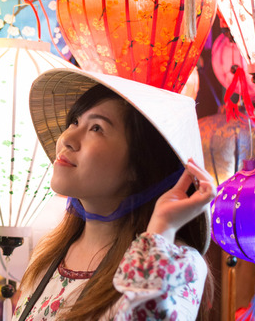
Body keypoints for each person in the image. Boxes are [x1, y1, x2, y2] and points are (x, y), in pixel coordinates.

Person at [13, 68, 216, 321]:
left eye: (96, 128)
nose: (68, 138)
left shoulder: (178, 263)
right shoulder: (48, 254)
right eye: (75, 121)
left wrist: (161, 230)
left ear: (138, 165)